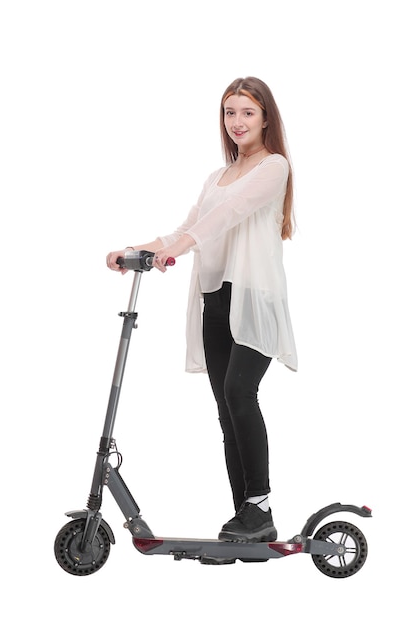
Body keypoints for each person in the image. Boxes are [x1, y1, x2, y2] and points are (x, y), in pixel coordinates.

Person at [106, 76, 297, 544]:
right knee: (225, 408)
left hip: (253, 299)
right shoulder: (216, 177)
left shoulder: (274, 167)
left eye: (247, 112)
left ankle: (261, 505)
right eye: (230, 112)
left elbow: (224, 217)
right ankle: (246, 518)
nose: (237, 121)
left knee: (239, 392)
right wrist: (140, 248)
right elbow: (189, 226)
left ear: (265, 118)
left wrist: (181, 247)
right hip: (216, 300)